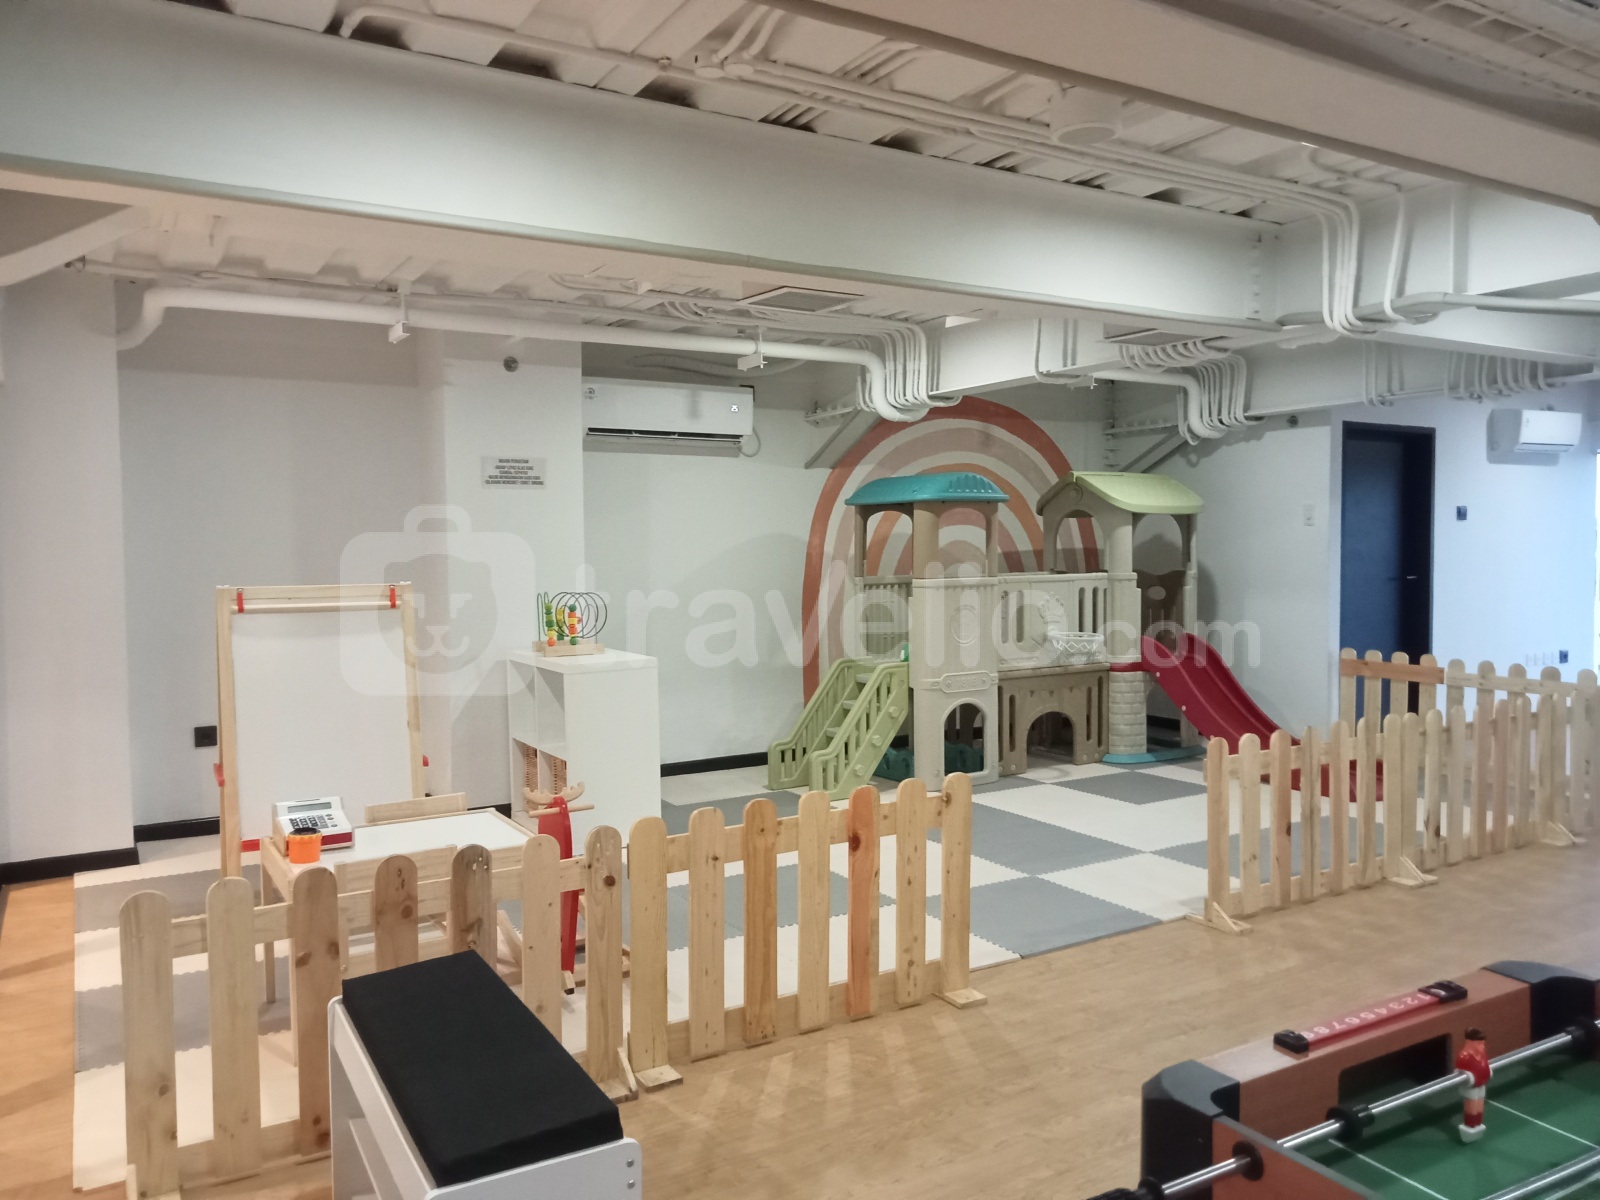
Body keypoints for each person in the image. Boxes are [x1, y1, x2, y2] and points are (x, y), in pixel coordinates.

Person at [1457, 1027, 1491, 1143]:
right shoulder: (1464, 1056)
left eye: (1483, 1043)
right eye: (1479, 1043)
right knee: (1472, 1107)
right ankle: (1470, 1126)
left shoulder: (1482, 1053)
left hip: (1481, 1083)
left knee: (1480, 1105)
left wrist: (1488, 1071)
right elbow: (1460, 1072)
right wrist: (1470, 1077)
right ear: (1469, 1043)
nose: (1482, 1046)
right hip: (1471, 1087)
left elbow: (1485, 1064)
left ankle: (1478, 1124)